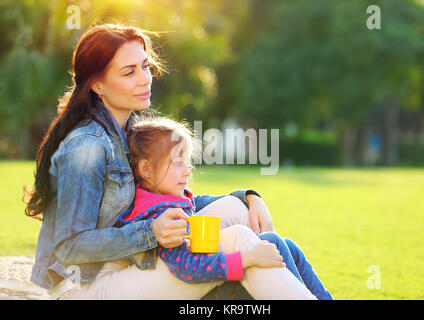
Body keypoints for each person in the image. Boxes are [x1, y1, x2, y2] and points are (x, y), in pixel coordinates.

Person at [23, 23, 313, 300]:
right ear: (98, 85)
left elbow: (165, 201)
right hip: (83, 286)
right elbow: (69, 247)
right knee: (238, 240)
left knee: (240, 211)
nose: (145, 78)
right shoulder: (86, 148)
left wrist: (248, 197)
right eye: (129, 72)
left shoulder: (128, 131)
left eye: (145, 66)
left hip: (124, 264)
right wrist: (151, 232)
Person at [114, 116, 332, 299]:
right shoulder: (161, 214)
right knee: (273, 243)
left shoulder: (164, 198)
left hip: (207, 277)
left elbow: (199, 201)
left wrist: (250, 197)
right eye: (177, 162)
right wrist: (247, 258)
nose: (187, 172)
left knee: (288, 246)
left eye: (187, 162)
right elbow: (188, 268)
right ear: (146, 169)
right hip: (196, 287)